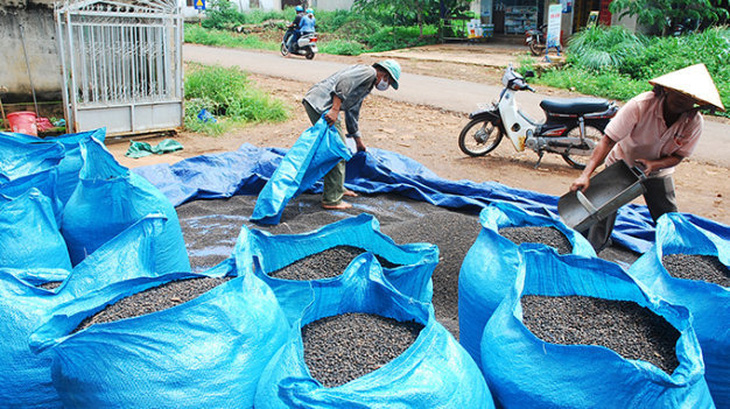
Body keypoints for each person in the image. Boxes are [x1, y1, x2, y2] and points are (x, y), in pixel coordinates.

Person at [569, 63, 724, 251]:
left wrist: (654, 164)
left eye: (689, 98)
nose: (683, 100)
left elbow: (678, 156)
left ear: (697, 103)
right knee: (601, 214)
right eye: (679, 93)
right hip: (621, 165)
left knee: (667, 218)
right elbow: (607, 141)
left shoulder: (694, 122)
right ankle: (591, 251)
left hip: (658, 173)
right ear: (667, 90)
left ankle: (673, 253)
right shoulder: (640, 106)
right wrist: (586, 174)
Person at [302, 60, 402, 210]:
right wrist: (335, 110)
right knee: (338, 151)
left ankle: (337, 188)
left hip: (321, 104)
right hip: (321, 104)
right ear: (384, 74)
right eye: (388, 81)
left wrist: (358, 141)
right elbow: (343, 82)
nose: (386, 84)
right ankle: (332, 199)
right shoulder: (369, 72)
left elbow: (352, 112)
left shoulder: (366, 84)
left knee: (337, 149)